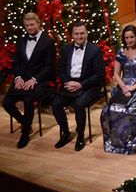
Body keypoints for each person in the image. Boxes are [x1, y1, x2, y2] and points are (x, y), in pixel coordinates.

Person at [51, 22, 105, 151]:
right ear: (72, 35)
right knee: (56, 104)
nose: (79, 36)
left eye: (82, 33)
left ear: (86, 33)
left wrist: (81, 84)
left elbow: (99, 75)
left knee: (79, 105)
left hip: (89, 85)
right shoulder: (66, 49)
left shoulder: (95, 50)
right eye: (76, 33)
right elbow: (61, 71)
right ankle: (65, 132)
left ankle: (80, 135)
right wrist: (67, 83)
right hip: (70, 84)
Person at [100, 25, 136, 155]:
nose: (129, 40)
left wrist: (133, 87)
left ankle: (132, 143)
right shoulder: (121, 52)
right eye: (127, 38)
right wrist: (124, 87)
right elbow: (117, 74)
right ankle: (115, 143)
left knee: (130, 110)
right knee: (108, 110)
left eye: (132, 37)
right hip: (123, 86)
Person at [4, 13, 54, 149]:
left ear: (38, 23)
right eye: (27, 25)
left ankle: (25, 134)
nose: (30, 28)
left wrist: (35, 79)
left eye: (32, 25)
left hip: (39, 81)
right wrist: (18, 77)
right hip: (22, 79)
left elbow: (49, 67)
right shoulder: (21, 40)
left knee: (27, 101)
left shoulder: (48, 41)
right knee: (7, 103)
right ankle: (26, 123)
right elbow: (16, 62)